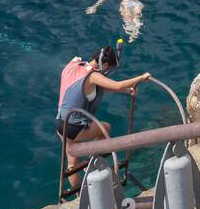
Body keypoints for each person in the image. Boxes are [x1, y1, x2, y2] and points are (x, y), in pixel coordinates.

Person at [57, 46, 150, 190]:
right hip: (74, 127)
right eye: (108, 69)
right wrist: (141, 78)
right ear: (105, 65)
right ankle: (92, 162)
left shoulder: (75, 65)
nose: (107, 73)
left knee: (72, 164)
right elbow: (117, 85)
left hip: (61, 123)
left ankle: (77, 197)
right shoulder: (94, 76)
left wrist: (127, 91)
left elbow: (98, 87)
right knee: (105, 127)